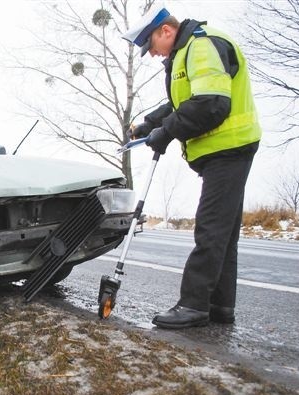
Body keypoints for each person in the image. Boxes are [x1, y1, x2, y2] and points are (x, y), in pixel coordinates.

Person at [122, 5, 261, 329]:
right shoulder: (189, 50)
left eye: (152, 47)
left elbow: (211, 104)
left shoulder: (201, 45)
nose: (153, 55)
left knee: (210, 229)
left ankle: (193, 305)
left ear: (166, 31)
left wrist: (167, 132)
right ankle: (220, 307)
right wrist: (149, 126)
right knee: (223, 233)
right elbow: (182, 102)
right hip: (226, 149)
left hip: (229, 148)